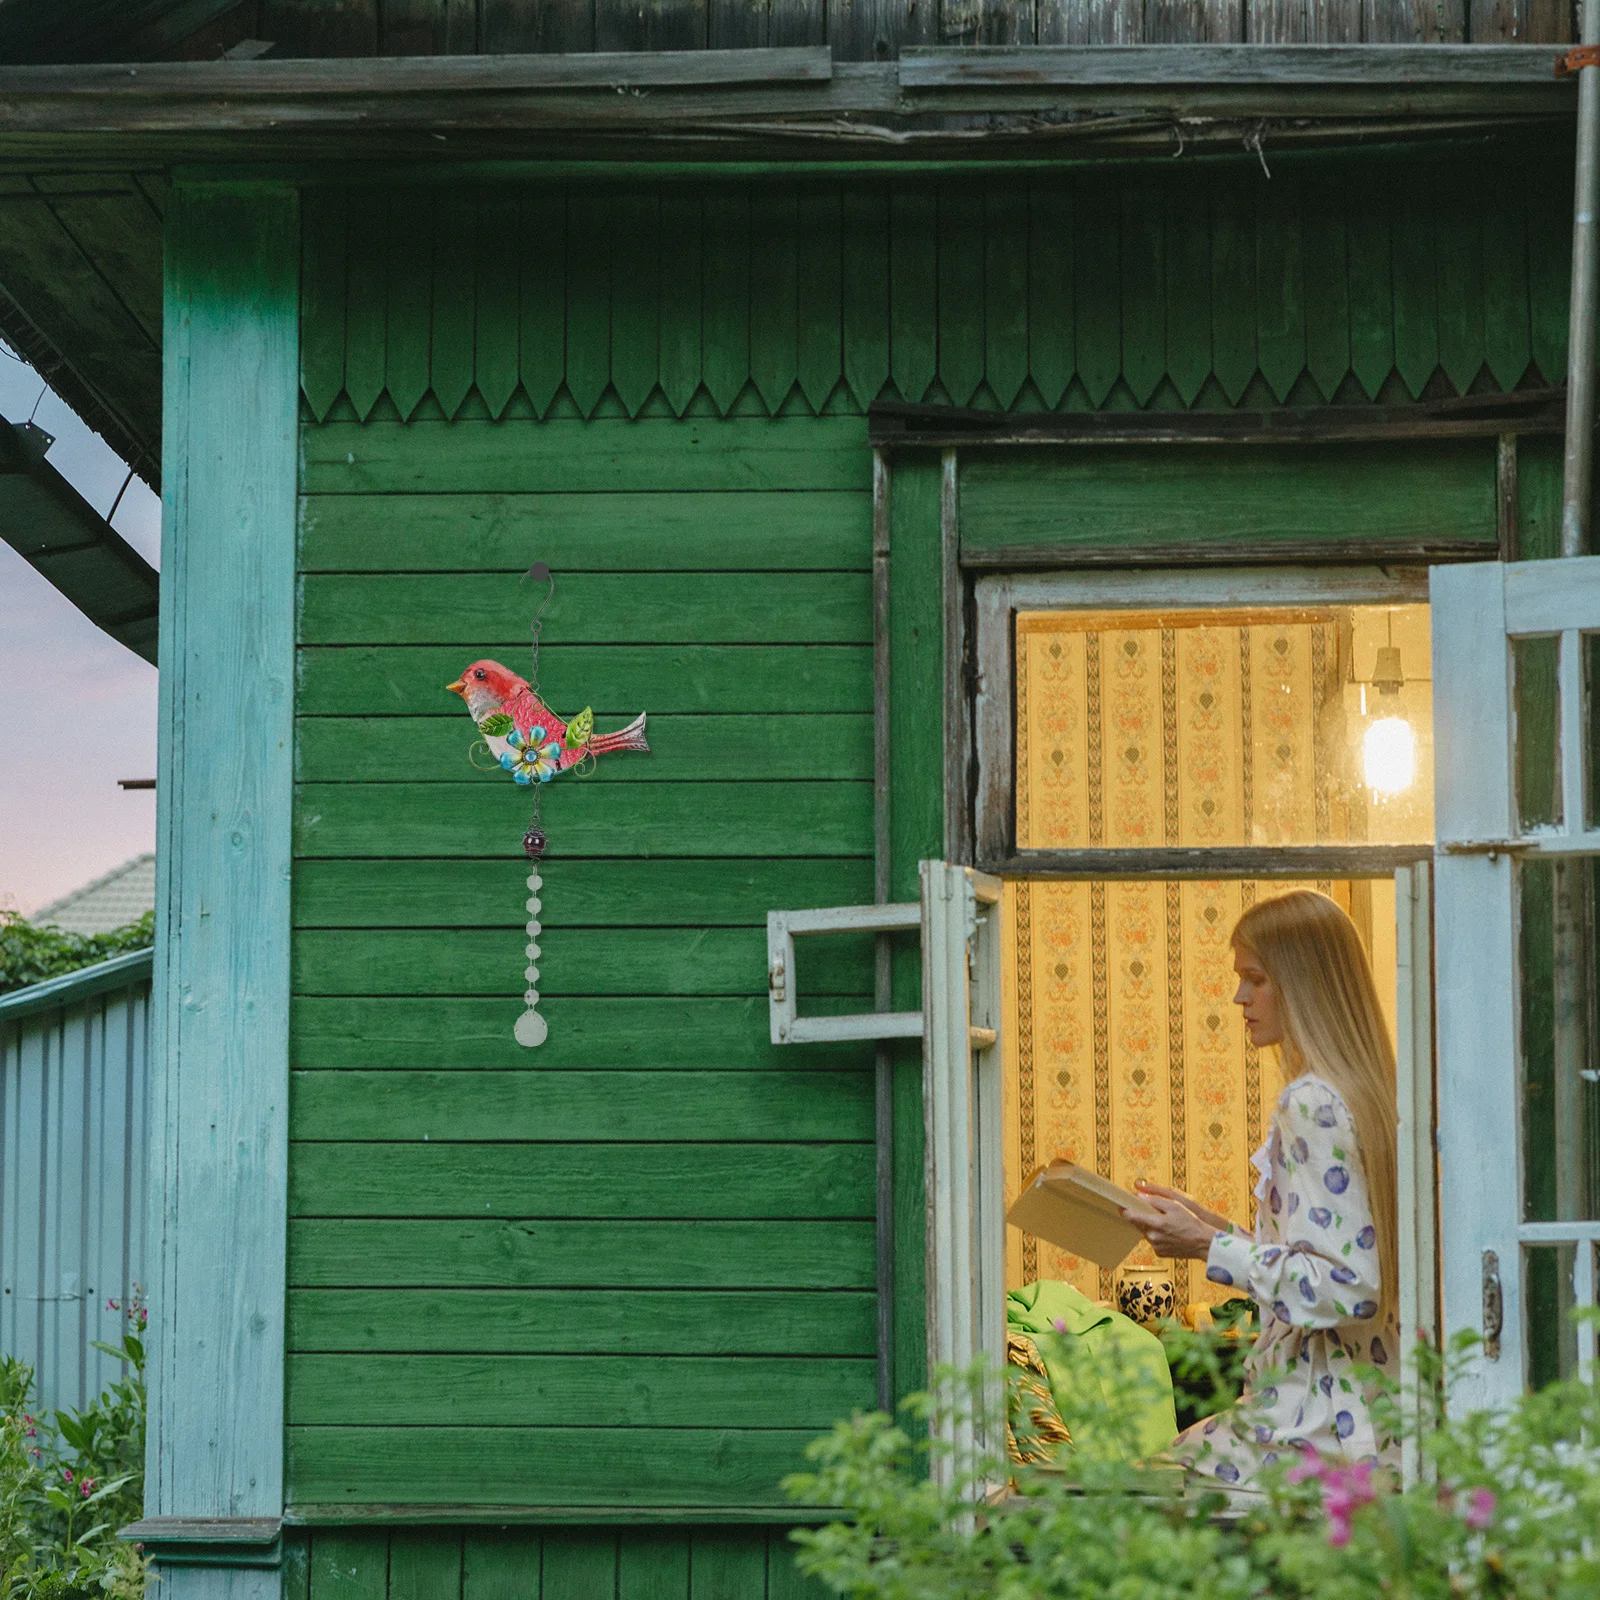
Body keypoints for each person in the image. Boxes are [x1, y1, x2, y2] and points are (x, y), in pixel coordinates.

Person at [1121, 889, 1401, 1490]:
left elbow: (1352, 1288)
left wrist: (1205, 1247)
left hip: (1320, 1418)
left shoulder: (1312, 1102)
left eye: (1255, 979)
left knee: (1139, 1498)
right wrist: (1212, 1227)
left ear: (1303, 984)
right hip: (1365, 1408)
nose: (1239, 998)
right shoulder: (1363, 1093)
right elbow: (1330, 1256)